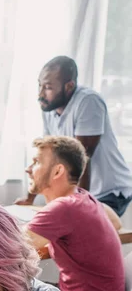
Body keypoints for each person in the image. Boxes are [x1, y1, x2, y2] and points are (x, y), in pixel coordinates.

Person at [25, 136, 125, 291]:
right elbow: (115, 222)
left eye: (36, 162)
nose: (28, 168)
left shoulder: (64, 208)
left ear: (57, 171)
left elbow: (8, 246)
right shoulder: (83, 198)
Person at [16, 56, 132, 216]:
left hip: (109, 191)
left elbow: (82, 159)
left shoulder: (88, 102)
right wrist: (30, 198)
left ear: (69, 86)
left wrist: (80, 208)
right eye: (40, 85)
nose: (40, 94)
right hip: (82, 191)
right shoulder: (49, 106)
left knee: (82, 233)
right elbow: (45, 155)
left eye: (48, 88)